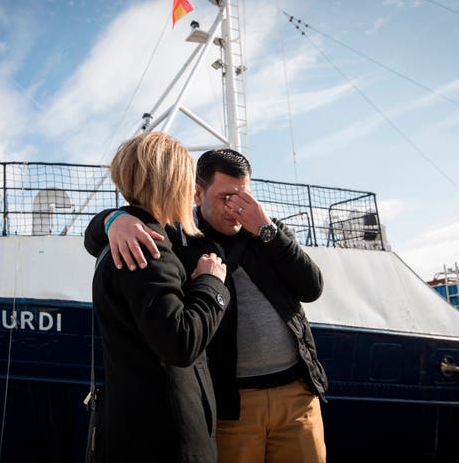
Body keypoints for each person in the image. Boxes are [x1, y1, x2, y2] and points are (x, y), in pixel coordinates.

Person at [84, 148, 328, 463]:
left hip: (296, 396)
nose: (237, 208)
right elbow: (93, 239)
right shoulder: (177, 236)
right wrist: (114, 219)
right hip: (232, 404)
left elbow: (312, 288)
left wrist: (267, 230)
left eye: (244, 197)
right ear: (198, 193)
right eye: (226, 197)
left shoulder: (267, 232)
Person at [84, 132, 231, 462]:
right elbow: (179, 342)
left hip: (136, 431)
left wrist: (113, 218)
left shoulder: (123, 238)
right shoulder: (147, 247)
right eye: (186, 181)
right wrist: (211, 285)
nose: (192, 192)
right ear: (170, 183)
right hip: (166, 439)